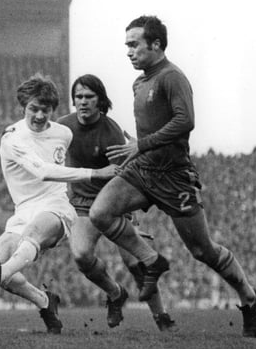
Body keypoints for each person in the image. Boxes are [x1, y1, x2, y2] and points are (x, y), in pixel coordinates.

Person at [89, 15, 256, 338]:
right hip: (143, 171)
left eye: (134, 44)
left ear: (156, 44)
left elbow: (185, 121)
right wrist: (137, 146)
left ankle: (250, 298)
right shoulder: (139, 82)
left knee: (203, 251)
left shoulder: (172, 77)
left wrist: (141, 144)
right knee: (100, 213)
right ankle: (151, 260)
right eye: (126, 45)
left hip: (174, 177)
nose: (128, 51)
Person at [0, 73, 118, 334]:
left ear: (53, 110)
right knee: (2, 273)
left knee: (11, 259)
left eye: (46, 110)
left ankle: (1, 271)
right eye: (34, 109)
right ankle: (45, 301)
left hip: (55, 206)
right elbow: (42, 170)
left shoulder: (63, 134)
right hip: (23, 211)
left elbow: (92, 138)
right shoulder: (12, 138)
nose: (40, 116)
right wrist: (95, 173)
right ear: (24, 107)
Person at [58, 74, 175, 331]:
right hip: (81, 205)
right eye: (79, 96)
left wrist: (130, 217)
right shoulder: (63, 128)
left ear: (100, 100)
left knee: (137, 264)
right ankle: (115, 294)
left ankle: (162, 317)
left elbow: (125, 178)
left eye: (89, 97)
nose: (83, 102)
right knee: (81, 256)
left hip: (111, 206)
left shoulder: (111, 132)